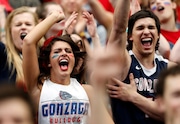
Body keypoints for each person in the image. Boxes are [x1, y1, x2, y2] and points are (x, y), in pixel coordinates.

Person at [22, 8, 112, 124]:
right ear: (48, 62)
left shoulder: (88, 91)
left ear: (74, 60)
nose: (64, 53)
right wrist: (54, 17)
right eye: (57, 51)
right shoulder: (39, 88)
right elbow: (28, 42)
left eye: (68, 51)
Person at [99, 0, 177, 123]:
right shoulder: (123, 63)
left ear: (157, 35)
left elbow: (173, 114)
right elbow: (119, 28)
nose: (146, 31)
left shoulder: (170, 69)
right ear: (130, 36)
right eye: (140, 28)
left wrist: (133, 97)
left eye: (151, 27)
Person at [0, 7, 44, 89]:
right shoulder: (3, 54)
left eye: (28, 24)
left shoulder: (46, 55)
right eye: (18, 25)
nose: (23, 27)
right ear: (10, 31)